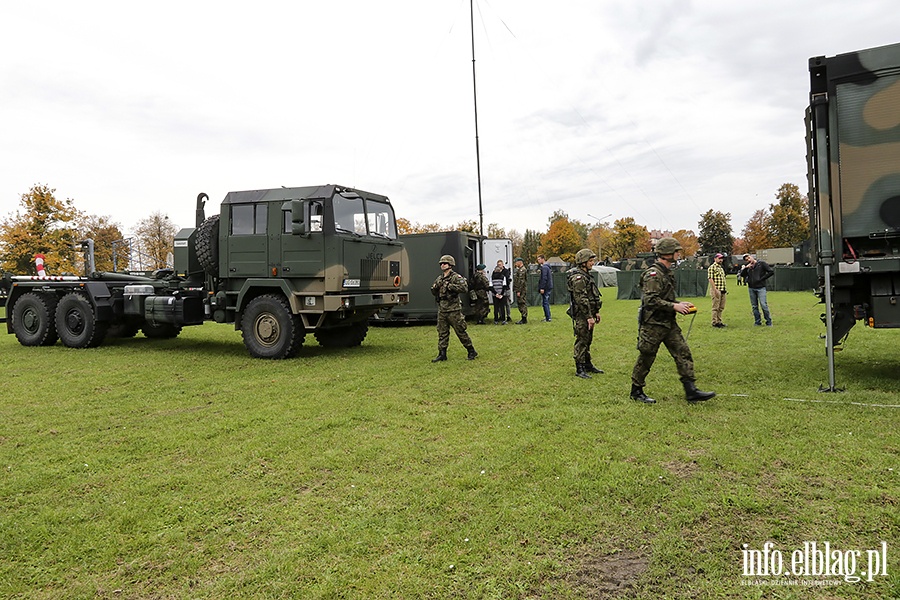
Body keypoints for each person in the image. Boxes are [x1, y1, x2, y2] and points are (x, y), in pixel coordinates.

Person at [630, 237, 715, 404]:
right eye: (676, 251)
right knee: (646, 357)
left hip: (668, 323)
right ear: (666, 253)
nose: (678, 254)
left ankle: (691, 391)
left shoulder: (667, 272)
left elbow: (665, 298)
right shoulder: (653, 274)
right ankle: (636, 391)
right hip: (653, 323)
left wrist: (679, 304)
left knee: (683, 352)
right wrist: (674, 307)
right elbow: (651, 300)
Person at [430, 255, 477, 361]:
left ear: (450, 265)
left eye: (444, 263)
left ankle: (471, 350)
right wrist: (435, 287)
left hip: (454, 310)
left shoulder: (456, 277)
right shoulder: (440, 278)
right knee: (442, 332)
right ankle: (442, 354)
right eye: (441, 263)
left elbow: (464, 288)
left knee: (460, 331)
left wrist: (450, 286)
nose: (442, 265)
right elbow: (434, 291)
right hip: (442, 309)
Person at [566, 248, 604, 378]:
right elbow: (581, 299)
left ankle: (587, 364)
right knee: (582, 340)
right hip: (583, 315)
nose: (592, 263)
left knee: (588, 340)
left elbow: (592, 295)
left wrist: (596, 312)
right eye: (590, 260)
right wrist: (588, 317)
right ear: (583, 262)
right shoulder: (578, 278)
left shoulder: (586, 276)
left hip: (589, 313)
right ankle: (579, 368)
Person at [743, 253, 774, 326]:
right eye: (746, 260)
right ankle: (757, 321)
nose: (748, 260)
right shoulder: (748, 267)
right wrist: (746, 268)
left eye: (748, 257)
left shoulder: (761, 264)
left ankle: (768, 321)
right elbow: (742, 275)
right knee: (754, 306)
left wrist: (762, 279)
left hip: (761, 287)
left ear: (752, 257)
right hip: (751, 288)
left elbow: (771, 271)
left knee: (763, 305)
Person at [707, 253, 727, 328]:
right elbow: (710, 278)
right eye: (719, 258)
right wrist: (714, 289)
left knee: (721, 307)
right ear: (715, 259)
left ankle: (719, 321)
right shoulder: (712, 267)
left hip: (723, 290)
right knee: (715, 306)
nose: (721, 260)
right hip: (716, 290)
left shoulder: (721, 268)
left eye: (722, 258)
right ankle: (714, 322)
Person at [491, 260, 510, 324]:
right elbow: (504, 285)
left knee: (496, 307)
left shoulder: (492, 277)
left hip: (495, 294)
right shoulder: (503, 277)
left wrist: (495, 293)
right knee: (502, 307)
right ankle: (503, 320)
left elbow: (491, 286)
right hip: (502, 293)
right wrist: (501, 294)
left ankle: (496, 320)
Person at [537, 254, 553, 322]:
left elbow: (544, 278)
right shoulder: (548, 267)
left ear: (543, 259)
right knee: (546, 302)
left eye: (539, 259)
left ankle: (548, 317)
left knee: (545, 303)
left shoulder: (544, 267)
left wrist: (542, 288)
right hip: (549, 286)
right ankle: (548, 317)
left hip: (546, 287)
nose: (538, 261)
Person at [513, 257, 528, 324]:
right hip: (520, 289)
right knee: (520, 303)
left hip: (521, 290)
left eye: (516, 262)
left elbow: (521, 282)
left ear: (520, 262)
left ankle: (524, 318)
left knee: (522, 303)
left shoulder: (522, 270)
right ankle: (523, 317)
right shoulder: (519, 270)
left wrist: (519, 291)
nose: (515, 263)